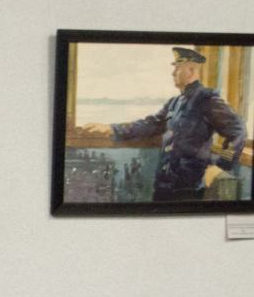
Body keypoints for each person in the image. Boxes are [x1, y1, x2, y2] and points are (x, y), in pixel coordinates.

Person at [81, 47, 248, 201]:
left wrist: (221, 166)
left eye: (178, 68)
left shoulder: (207, 100)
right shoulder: (174, 102)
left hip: (190, 187)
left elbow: (238, 130)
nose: (173, 73)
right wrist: (112, 128)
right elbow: (151, 124)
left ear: (191, 71)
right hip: (165, 184)